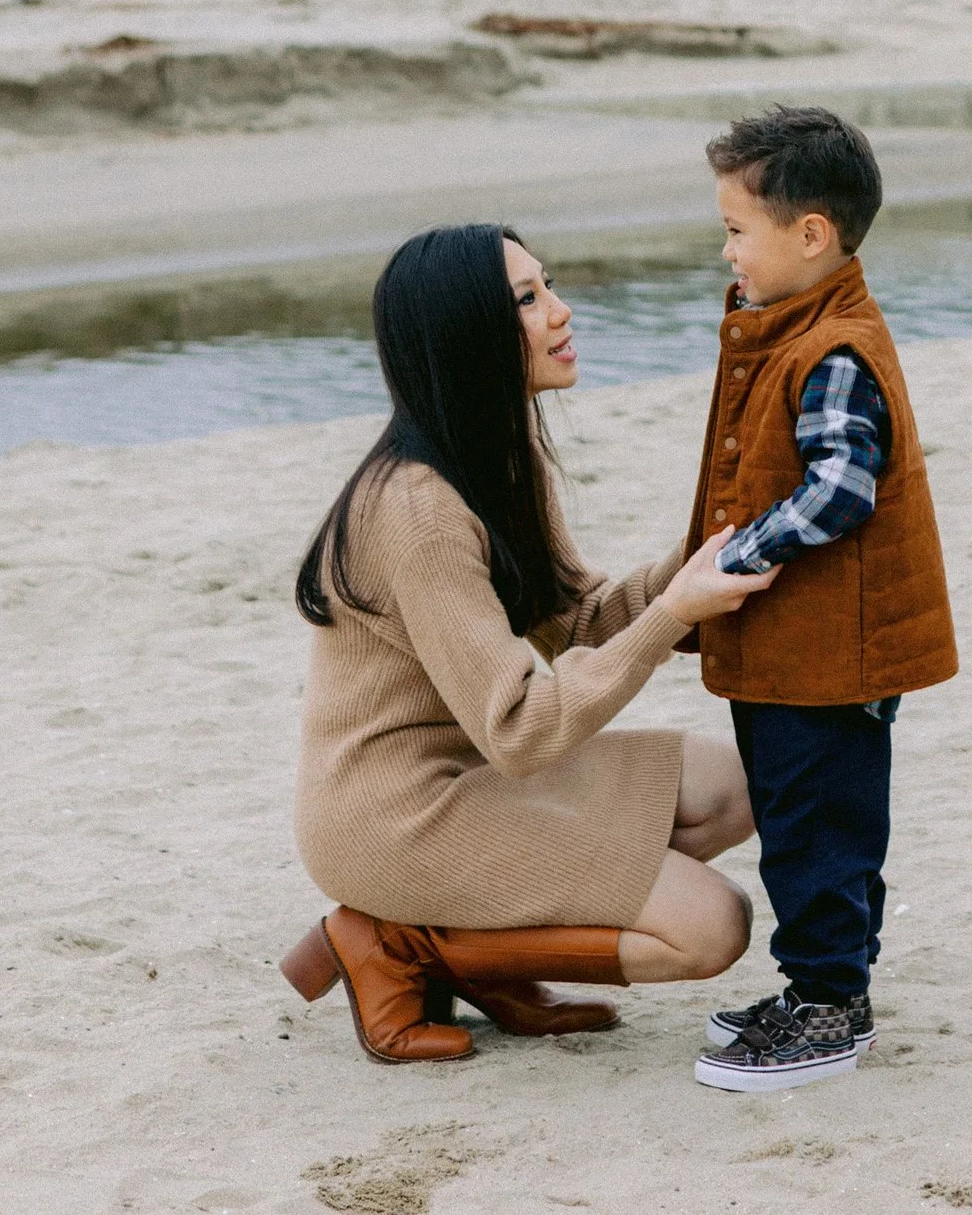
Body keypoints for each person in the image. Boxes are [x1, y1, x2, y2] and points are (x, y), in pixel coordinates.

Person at [284, 223, 769, 1064]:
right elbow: (520, 727)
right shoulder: (417, 509)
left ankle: (474, 935)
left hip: (470, 774)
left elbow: (578, 623)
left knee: (747, 785)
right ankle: (404, 943)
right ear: (468, 334)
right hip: (396, 816)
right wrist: (674, 615)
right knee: (712, 928)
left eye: (548, 286)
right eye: (528, 299)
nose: (561, 311)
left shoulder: (497, 461)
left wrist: (691, 566)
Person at [686, 106, 958, 1094]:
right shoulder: (798, 324)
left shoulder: (834, 345)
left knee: (819, 826)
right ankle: (819, 986)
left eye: (736, 229)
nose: (725, 249)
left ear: (811, 234)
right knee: (806, 816)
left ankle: (829, 1003)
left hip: (829, 651)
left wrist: (740, 553)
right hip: (793, 646)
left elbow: (843, 487)